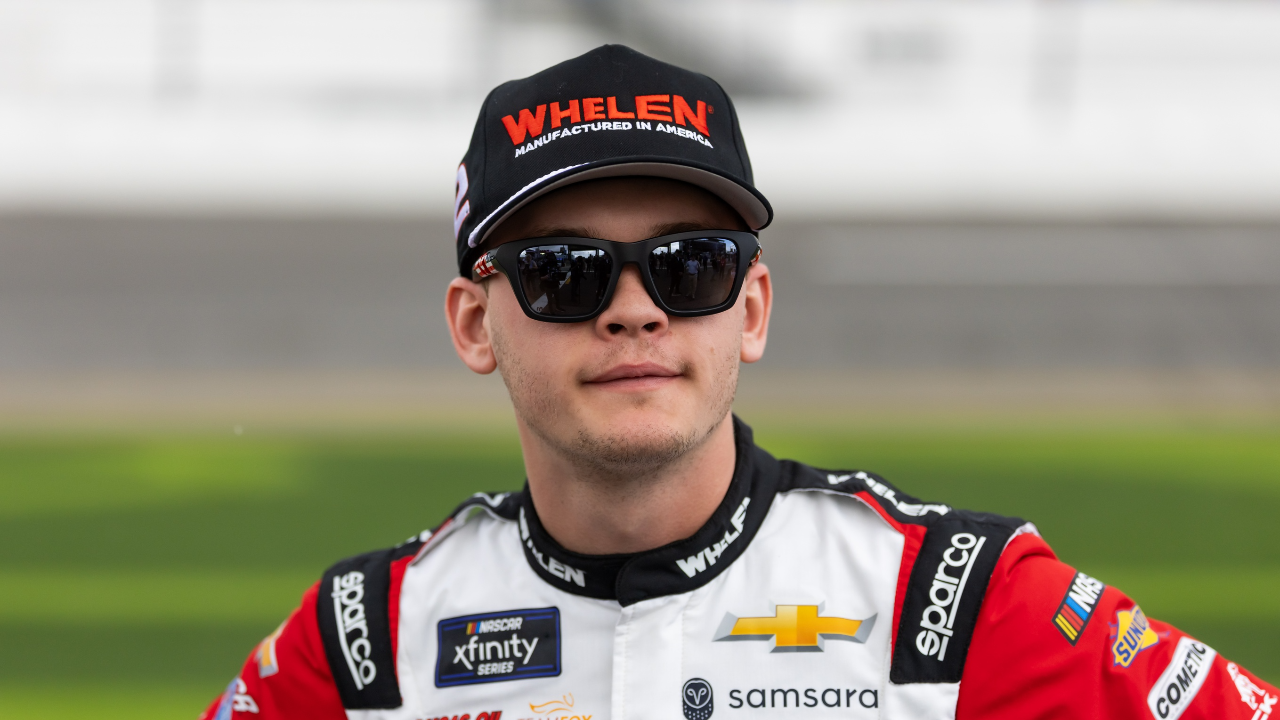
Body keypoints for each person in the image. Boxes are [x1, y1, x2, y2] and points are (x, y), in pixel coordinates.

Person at [202, 45, 1276, 720]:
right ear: (475, 324)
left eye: (689, 265)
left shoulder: (947, 604)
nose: (635, 308)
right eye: (563, 274)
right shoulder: (362, 645)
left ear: (751, 309)